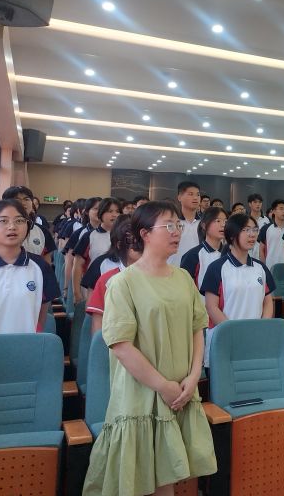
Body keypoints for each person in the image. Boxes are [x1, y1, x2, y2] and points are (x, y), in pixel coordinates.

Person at [82, 201, 216, 495]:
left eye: (178, 225)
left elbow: (197, 328)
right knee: (141, 479)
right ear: (144, 234)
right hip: (142, 394)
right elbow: (120, 345)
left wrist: (194, 375)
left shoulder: (183, 278)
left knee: (167, 476)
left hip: (181, 390)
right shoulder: (123, 283)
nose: (176, 231)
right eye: (168, 226)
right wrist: (162, 386)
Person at [0, 199, 59, 335]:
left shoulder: (41, 267)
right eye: (3, 221)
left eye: (19, 221)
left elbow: (40, 317)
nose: (12, 226)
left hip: (24, 346)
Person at [202, 213, 275, 366]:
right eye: (246, 230)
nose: (252, 234)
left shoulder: (260, 268)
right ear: (232, 235)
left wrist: (261, 328)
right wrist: (234, 333)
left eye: (254, 230)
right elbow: (211, 307)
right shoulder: (217, 268)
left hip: (254, 340)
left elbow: (268, 301)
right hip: (224, 340)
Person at [86, 216, 142, 333]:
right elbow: (98, 325)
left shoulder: (159, 276)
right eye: (131, 240)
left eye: (141, 240)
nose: (137, 245)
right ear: (119, 245)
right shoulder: (107, 280)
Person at [74, 198, 121, 302]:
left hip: (119, 288)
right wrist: (76, 292)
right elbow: (77, 265)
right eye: (110, 211)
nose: (114, 215)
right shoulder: (90, 236)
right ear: (101, 213)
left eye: (117, 211)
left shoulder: (124, 237)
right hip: (93, 287)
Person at [0, 186, 56, 263]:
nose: (23, 203)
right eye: (17, 200)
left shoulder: (42, 231)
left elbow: (46, 262)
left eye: (26, 199)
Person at [180, 207, 226, 288]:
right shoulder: (192, 255)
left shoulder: (230, 254)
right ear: (204, 225)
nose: (223, 225)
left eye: (225, 221)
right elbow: (185, 288)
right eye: (218, 221)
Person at [168, 181, 201, 267]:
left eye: (198, 195)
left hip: (197, 270)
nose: (195, 198)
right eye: (190, 194)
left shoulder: (204, 223)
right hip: (174, 267)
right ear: (179, 197)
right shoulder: (171, 221)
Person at [257, 199, 284, 267]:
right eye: (281, 209)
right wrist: (264, 267)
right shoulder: (265, 228)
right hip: (270, 266)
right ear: (274, 211)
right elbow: (261, 250)